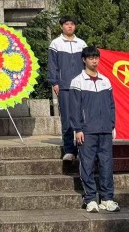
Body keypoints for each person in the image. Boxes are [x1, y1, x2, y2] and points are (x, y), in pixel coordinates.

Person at [70, 46, 119, 213]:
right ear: (84, 60)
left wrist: (112, 125)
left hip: (105, 130)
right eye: (91, 58)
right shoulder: (77, 81)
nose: (94, 61)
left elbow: (111, 106)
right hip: (87, 130)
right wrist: (78, 129)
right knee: (87, 165)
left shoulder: (106, 81)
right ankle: (90, 199)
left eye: (96, 57)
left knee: (107, 165)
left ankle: (107, 198)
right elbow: (74, 108)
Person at [47, 15, 87, 160]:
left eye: (72, 24)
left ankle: (84, 148)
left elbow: (88, 63)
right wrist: (55, 82)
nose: (70, 26)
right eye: (67, 24)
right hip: (64, 86)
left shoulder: (82, 43)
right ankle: (69, 150)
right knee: (67, 118)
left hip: (81, 86)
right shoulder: (56, 43)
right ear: (61, 26)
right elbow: (52, 65)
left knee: (83, 116)